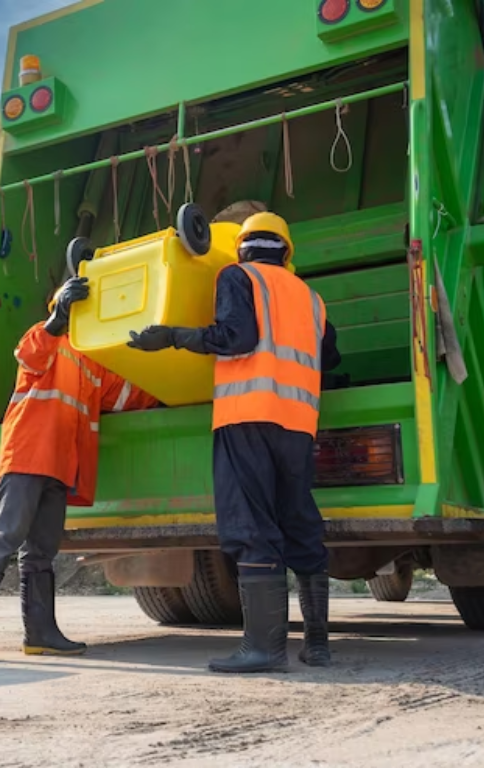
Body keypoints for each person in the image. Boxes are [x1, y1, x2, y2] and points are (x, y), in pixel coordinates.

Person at [128, 212, 341, 673]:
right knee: (300, 522)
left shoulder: (236, 276)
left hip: (246, 417)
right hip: (298, 423)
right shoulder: (311, 298)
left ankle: (263, 648)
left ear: (241, 247)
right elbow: (330, 355)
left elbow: (236, 337)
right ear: (286, 251)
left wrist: (173, 336)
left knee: (251, 527)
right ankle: (318, 644)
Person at [0, 275, 158, 663]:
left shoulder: (93, 364)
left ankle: (41, 634)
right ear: (61, 308)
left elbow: (132, 394)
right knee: (5, 538)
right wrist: (56, 320)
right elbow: (29, 353)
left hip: (60, 466)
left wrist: (156, 354)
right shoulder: (45, 340)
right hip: (29, 456)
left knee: (42, 551)